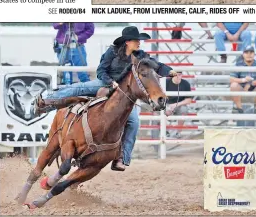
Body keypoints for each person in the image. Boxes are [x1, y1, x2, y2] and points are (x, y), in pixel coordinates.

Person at [38, 26, 184, 171]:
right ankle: (47, 101)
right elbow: (101, 70)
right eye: (136, 40)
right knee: (79, 88)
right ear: (127, 42)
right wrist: (110, 82)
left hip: (124, 94)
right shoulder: (112, 51)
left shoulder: (141, 56)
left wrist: (172, 72)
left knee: (133, 122)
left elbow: (156, 66)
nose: (139, 43)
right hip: (106, 83)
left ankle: (122, 158)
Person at [229, 45, 256, 116]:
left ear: (254, 54)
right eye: (246, 52)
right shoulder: (238, 65)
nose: (249, 54)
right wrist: (243, 80)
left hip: (255, 91)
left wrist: (252, 83)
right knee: (233, 85)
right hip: (241, 92)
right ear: (243, 54)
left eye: (251, 52)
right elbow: (232, 79)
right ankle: (239, 109)